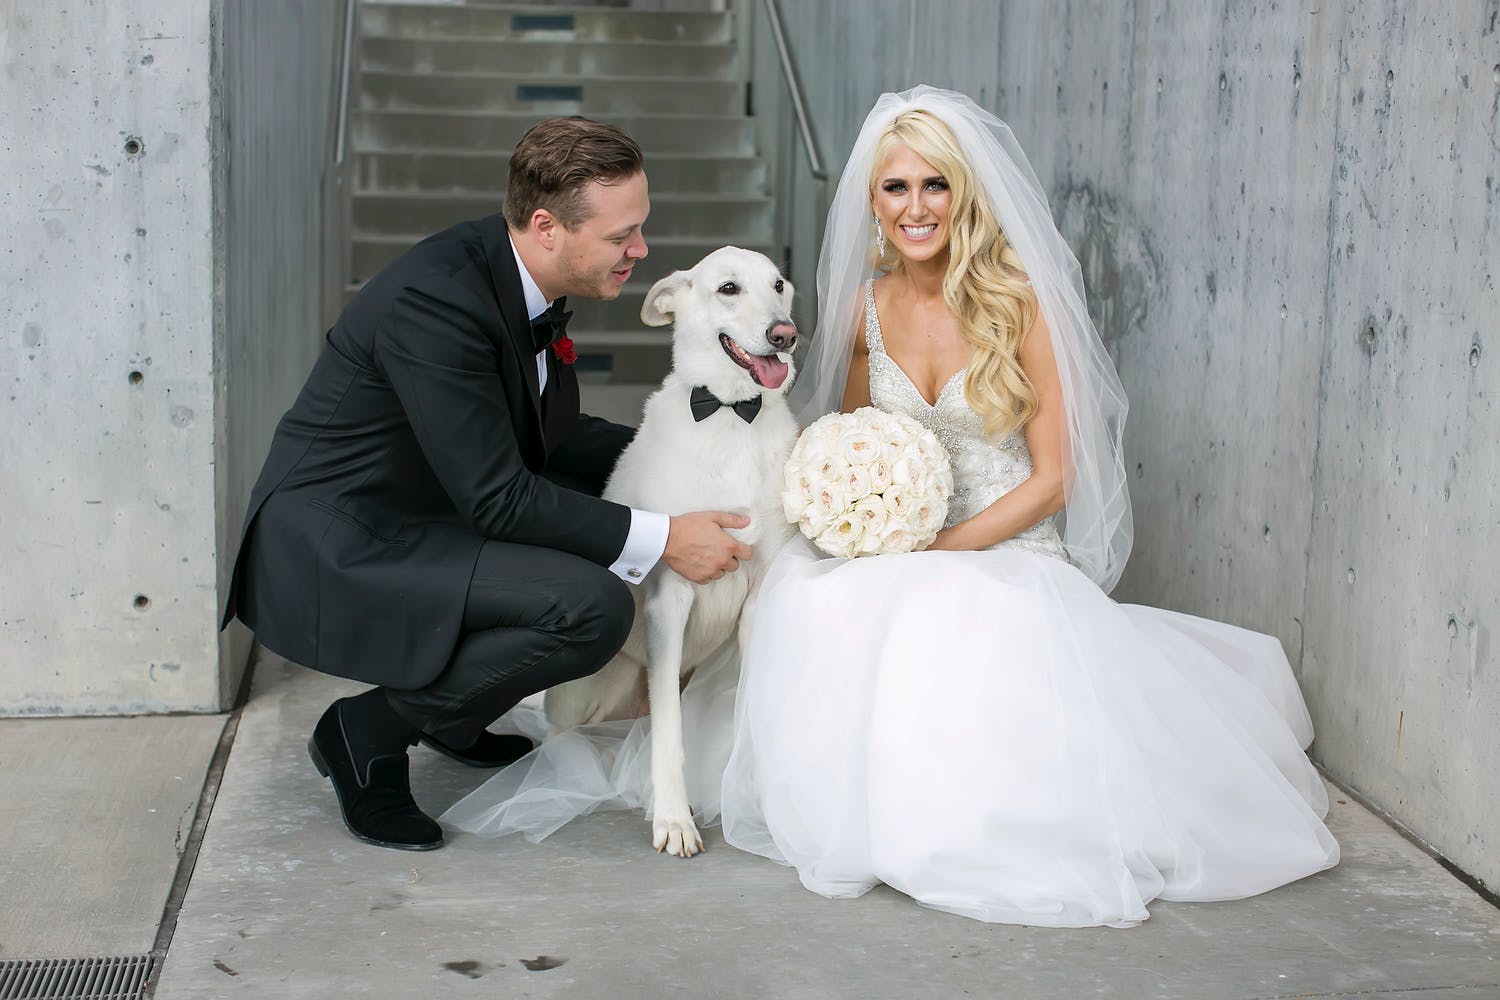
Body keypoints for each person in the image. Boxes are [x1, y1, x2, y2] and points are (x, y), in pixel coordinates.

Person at [715, 86, 1339, 927]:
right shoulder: (864, 310)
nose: (916, 206)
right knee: (813, 601)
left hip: (1009, 549)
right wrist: (853, 509)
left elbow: (1053, 480)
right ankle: (871, 813)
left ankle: (951, 821)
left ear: (965, 192)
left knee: (958, 634)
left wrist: (939, 552)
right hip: (911, 546)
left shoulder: (1018, 299)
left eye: (935, 184)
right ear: (873, 200)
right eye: (896, 187)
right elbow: (855, 436)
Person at [221, 116, 752, 852]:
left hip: (429, 509)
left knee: (576, 559)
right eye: (622, 235)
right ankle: (365, 732)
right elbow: (500, 497)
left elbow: (556, 438)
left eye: (641, 228)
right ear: (546, 227)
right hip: (340, 536)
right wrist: (665, 538)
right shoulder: (436, 303)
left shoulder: (517, 278)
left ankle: (453, 710)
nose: (641, 250)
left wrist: (709, 453)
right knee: (589, 604)